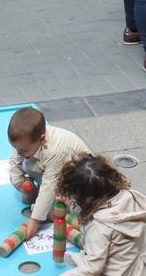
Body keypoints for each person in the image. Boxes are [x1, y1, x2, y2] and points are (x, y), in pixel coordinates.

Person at [46, 153, 146, 276]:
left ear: (85, 199)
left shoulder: (99, 226)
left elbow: (93, 266)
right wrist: (72, 204)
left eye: (73, 197)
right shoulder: (126, 196)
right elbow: (91, 208)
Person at [5, 106, 92, 253]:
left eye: (23, 150)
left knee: (75, 206)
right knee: (26, 164)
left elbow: (49, 185)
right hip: (56, 171)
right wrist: (19, 182)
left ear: (42, 139)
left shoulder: (55, 150)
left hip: (80, 179)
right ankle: (41, 198)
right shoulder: (25, 143)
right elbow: (15, 161)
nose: (19, 152)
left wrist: (35, 220)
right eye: (16, 148)